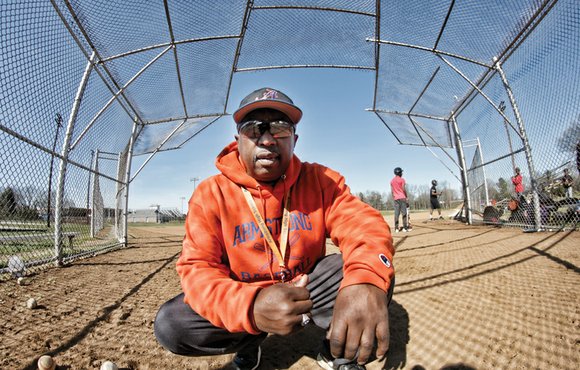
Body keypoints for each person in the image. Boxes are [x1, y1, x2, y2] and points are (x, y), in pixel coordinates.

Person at [154, 87, 395, 370]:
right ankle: (249, 344)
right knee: (173, 324)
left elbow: (362, 224)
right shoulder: (211, 192)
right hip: (244, 291)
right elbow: (198, 268)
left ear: (295, 139)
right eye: (254, 129)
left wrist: (365, 281)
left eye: (280, 129)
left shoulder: (319, 179)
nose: (267, 139)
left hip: (305, 287)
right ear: (238, 140)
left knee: (370, 272)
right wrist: (251, 306)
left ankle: (335, 350)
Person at [390, 167, 409, 232]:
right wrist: (406, 196)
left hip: (396, 198)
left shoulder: (392, 181)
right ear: (400, 173)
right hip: (402, 198)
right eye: (401, 172)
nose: (402, 173)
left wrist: (394, 197)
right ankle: (405, 228)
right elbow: (403, 189)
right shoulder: (402, 179)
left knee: (396, 213)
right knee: (404, 213)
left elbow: (392, 191)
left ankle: (396, 228)